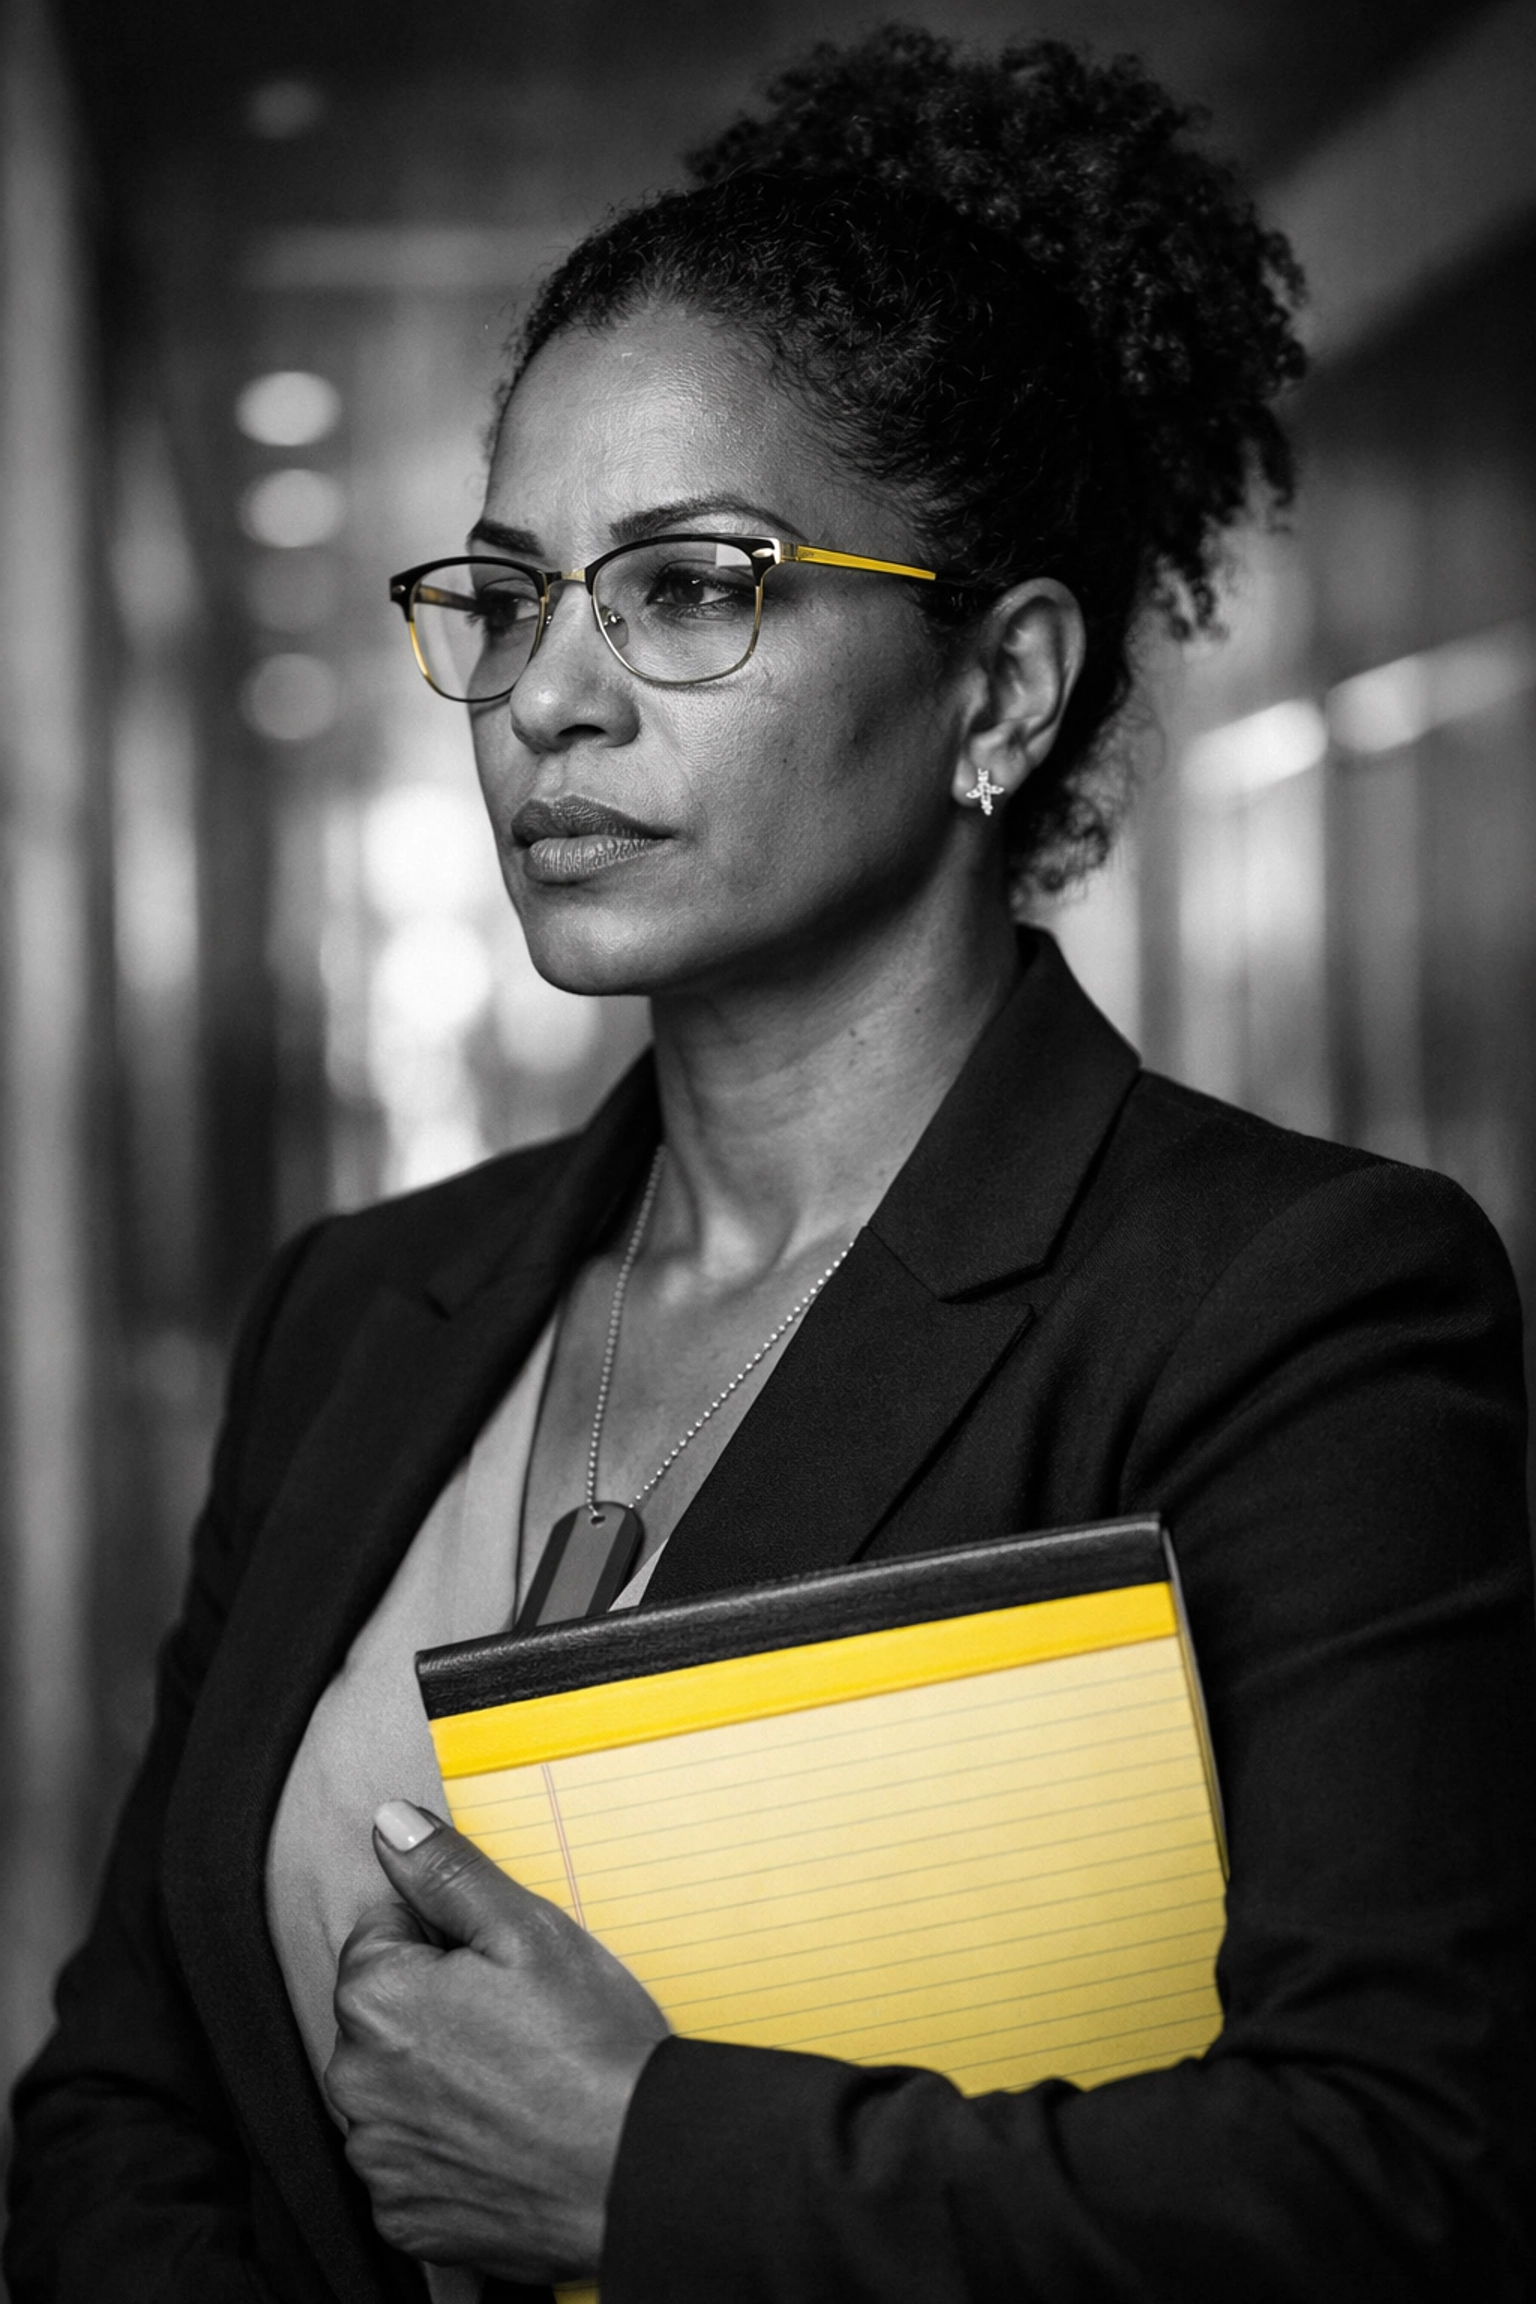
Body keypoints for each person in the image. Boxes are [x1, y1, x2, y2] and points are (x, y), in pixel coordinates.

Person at [8, 26, 1534, 2304]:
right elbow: (133, 2083)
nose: (550, 696)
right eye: (514, 596)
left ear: (1002, 692)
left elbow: (1394, 2188)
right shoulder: (362, 1310)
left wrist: (647, 2168)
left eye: (692, 585)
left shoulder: (1285, 1305)